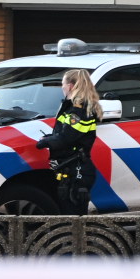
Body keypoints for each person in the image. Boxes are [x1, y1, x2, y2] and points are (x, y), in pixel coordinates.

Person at [36, 68, 101, 215]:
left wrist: (45, 143)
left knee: (74, 216)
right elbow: (65, 133)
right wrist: (49, 137)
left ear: (70, 86)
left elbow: (67, 137)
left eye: (63, 84)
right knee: (68, 214)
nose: (62, 87)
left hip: (78, 170)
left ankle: (77, 238)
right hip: (69, 168)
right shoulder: (72, 108)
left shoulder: (79, 111)